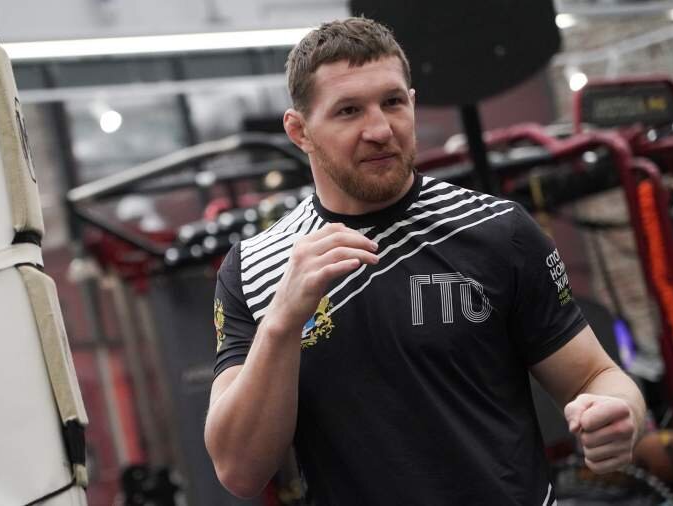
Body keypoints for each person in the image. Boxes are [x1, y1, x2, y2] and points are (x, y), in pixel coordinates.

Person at [203, 16, 647, 505]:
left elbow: (595, 376)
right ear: (299, 130)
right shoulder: (256, 267)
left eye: (393, 102)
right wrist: (281, 322)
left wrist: (618, 412)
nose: (379, 129)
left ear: (412, 103)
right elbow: (238, 471)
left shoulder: (498, 231)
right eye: (348, 111)